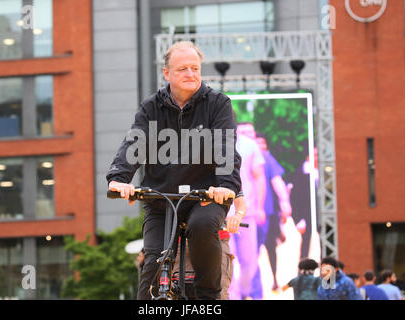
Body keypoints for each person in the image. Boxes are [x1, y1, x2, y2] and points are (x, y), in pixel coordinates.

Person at [106, 41, 242, 300]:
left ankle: (208, 297)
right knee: (153, 265)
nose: (191, 74)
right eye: (183, 69)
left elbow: (226, 146)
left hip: (206, 196)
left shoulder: (218, 104)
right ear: (167, 73)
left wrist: (226, 185)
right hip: (161, 198)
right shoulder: (151, 107)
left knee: (202, 227)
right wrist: (119, 178)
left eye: (195, 68)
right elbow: (135, 143)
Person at [251, 131, 292, 296]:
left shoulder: (265, 157)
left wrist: (284, 202)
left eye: (263, 144)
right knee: (254, 253)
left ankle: (271, 281)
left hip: (266, 213)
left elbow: (277, 182)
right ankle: (257, 288)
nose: (261, 147)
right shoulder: (256, 156)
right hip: (253, 213)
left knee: (267, 249)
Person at [228, 123, 266, 300]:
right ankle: (233, 296)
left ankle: (243, 292)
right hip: (222, 214)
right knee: (227, 259)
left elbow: (259, 178)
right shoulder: (214, 144)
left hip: (247, 212)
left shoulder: (250, 146)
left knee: (250, 261)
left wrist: (259, 206)